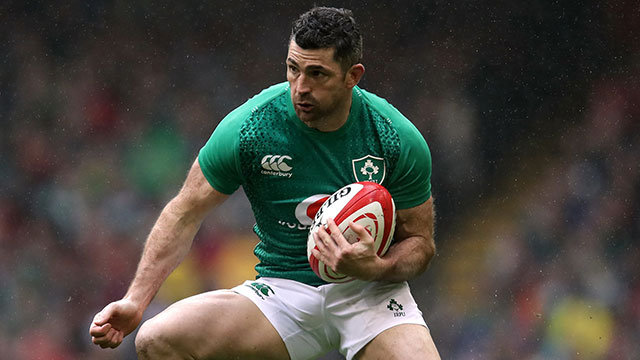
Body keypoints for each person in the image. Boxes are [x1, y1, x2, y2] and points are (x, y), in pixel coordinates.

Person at [89, 6, 441, 360]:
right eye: (293, 69)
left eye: (317, 74)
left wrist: (377, 268)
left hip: (371, 294)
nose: (301, 87)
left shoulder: (394, 137)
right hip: (283, 294)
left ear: (353, 75)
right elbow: (184, 212)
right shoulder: (251, 128)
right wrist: (135, 300)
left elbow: (420, 244)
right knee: (156, 339)